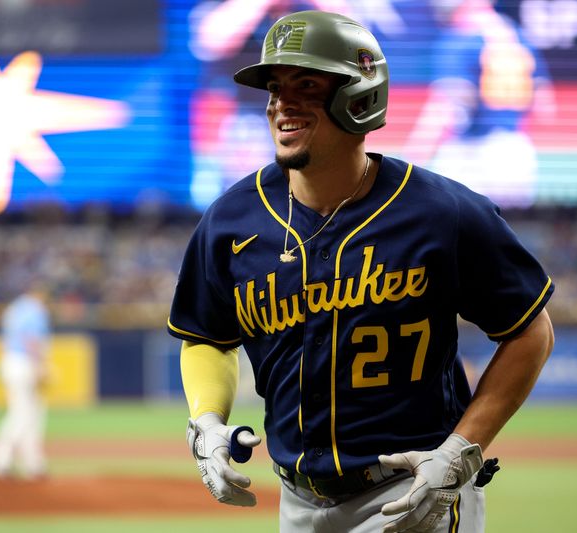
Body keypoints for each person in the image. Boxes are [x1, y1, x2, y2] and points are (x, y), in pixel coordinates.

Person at [168, 10, 554, 533]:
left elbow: (530, 330)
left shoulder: (442, 212)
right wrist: (207, 419)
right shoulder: (230, 220)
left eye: (307, 84)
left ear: (361, 96)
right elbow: (207, 335)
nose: (283, 103)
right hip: (296, 502)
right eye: (276, 87)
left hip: (411, 490)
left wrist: (462, 449)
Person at [402, 0, 556, 207]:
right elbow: (545, 106)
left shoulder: (461, 37)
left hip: (473, 157)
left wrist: (414, 156)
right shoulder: (515, 35)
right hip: (517, 154)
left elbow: (450, 108)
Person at [0, 280, 52, 481]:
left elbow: (4, 340)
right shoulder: (36, 310)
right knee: (23, 413)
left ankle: (33, 463)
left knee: (33, 411)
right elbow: (31, 339)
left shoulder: (13, 310)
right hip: (25, 363)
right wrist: (40, 365)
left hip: (10, 362)